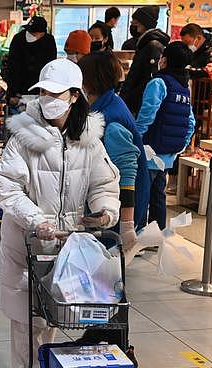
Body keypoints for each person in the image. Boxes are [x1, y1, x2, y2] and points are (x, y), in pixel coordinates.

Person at [0, 58, 120, 368]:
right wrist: (37, 220)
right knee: (25, 322)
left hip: (66, 247)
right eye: (44, 93)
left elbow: (102, 182)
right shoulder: (23, 137)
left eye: (56, 93)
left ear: (75, 96)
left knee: (52, 317)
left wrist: (105, 209)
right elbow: (7, 188)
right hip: (26, 243)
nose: (48, 100)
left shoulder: (88, 139)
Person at [79, 51, 149, 249]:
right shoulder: (105, 105)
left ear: (90, 80)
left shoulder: (112, 117)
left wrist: (126, 225)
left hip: (116, 208)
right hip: (107, 204)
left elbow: (127, 171)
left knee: (106, 266)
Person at [135, 42, 195, 230]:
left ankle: (138, 233)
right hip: (168, 153)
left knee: (142, 195)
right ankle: (156, 235)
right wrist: (180, 147)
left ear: (165, 60)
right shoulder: (185, 87)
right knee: (158, 196)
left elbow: (147, 115)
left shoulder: (158, 82)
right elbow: (191, 121)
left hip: (150, 149)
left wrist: (135, 138)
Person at [119, 5, 169, 115]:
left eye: (135, 21)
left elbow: (150, 78)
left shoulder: (152, 45)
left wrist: (131, 96)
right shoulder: (144, 43)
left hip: (139, 104)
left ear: (145, 23)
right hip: (135, 101)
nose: (132, 24)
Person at [5, 16, 57, 107]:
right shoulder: (18, 39)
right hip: (19, 93)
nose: (29, 34)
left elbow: (50, 68)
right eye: (29, 31)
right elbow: (12, 67)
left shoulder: (49, 42)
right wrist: (12, 93)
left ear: (42, 34)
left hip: (39, 92)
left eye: (33, 33)